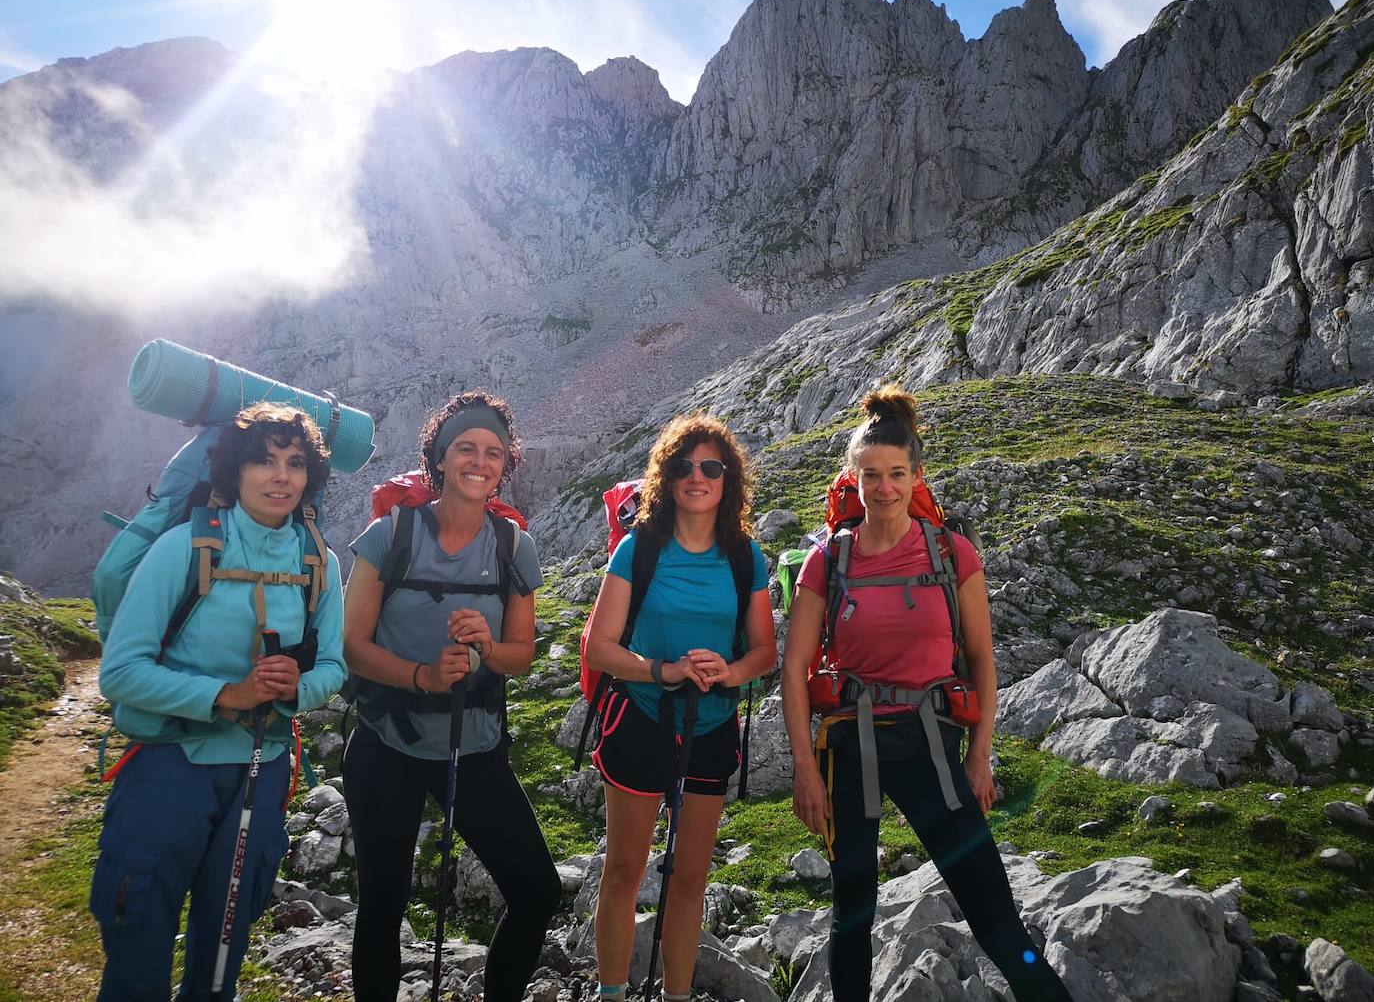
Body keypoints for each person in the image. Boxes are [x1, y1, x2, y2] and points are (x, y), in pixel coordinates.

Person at [781, 385, 1073, 1002]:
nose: (883, 487)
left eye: (895, 474)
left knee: (989, 901)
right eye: (870, 475)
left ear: (916, 475)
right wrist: (805, 770)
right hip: (848, 746)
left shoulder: (951, 553)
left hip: (933, 745)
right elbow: (795, 667)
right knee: (852, 903)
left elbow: (981, 658)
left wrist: (981, 753)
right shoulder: (826, 562)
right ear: (851, 477)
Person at [92, 402, 347, 1002]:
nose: (281, 476)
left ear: (310, 476)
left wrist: (295, 687)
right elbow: (121, 672)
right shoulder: (184, 546)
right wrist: (225, 694)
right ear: (234, 472)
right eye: (264, 461)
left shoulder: (320, 563)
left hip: (263, 766)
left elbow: (333, 665)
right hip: (170, 761)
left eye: (295, 462)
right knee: (139, 930)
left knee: (224, 948)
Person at [341, 391, 560, 1002]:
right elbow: (351, 644)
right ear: (438, 457)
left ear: (505, 464)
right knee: (382, 902)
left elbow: (521, 654)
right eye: (465, 447)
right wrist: (422, 678)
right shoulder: (389, 536)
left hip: (473, 744)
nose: (479, 461)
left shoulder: (516, 546)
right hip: (387, 743)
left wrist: (487, 646)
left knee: (536, 889)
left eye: (493, 452)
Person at [584, 414, 776, 1002]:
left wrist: (731, 671)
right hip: (642, 719)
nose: (697, 477)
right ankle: (612, 993)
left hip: (712, 725)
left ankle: (678, 995)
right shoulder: (636, 550)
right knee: (623, 873)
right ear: (665, 478)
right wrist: (660, 671)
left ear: (728, 481)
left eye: (711, 467)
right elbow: (599, 646)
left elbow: (765, 650)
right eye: (683, 466)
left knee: (690, 879)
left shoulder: (747, 559)